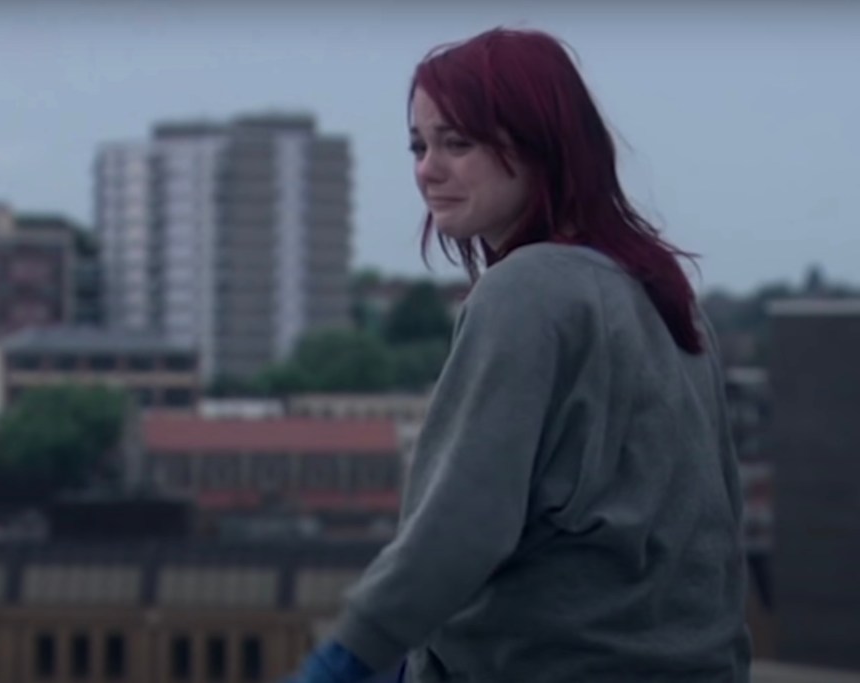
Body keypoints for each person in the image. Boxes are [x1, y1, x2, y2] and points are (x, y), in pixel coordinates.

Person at [283, 26, 751, 683]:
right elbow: (716, 517)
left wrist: (348, 655)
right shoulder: (664, 290)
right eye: (419, 145)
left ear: (540, 143)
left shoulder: (528, 290)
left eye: (458, 142)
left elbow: (461, 525)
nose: (427, 168)